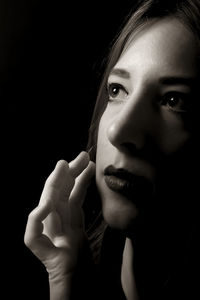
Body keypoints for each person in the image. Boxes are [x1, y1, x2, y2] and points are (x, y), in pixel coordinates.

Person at [24, 0, 200, 299]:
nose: (118, 131)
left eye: (174, 101)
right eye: (117, 90)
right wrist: (66, 283)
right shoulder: (77, 269)